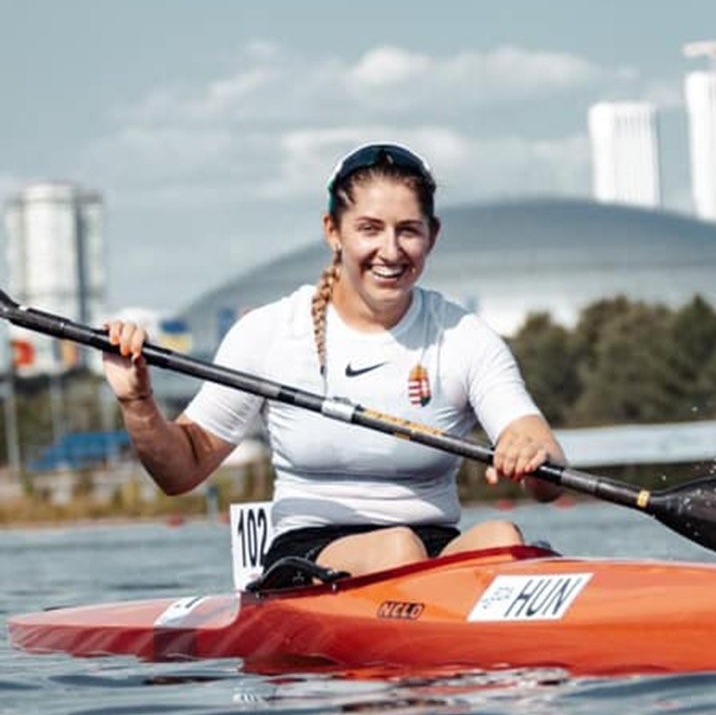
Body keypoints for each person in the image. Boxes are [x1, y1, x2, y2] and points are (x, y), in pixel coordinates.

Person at [103, 142, 566, 576]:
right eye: (370, 229)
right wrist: (137, 403)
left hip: (431, 551)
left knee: (503, 537)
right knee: (397, 548)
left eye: (408, 230)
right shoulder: (271, 332)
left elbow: (547, 475)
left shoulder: (464, 337)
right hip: (309, 552)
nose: (391, 251)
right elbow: (181, 470)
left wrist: (531, 454)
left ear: (432, 235)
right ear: (333, 232)